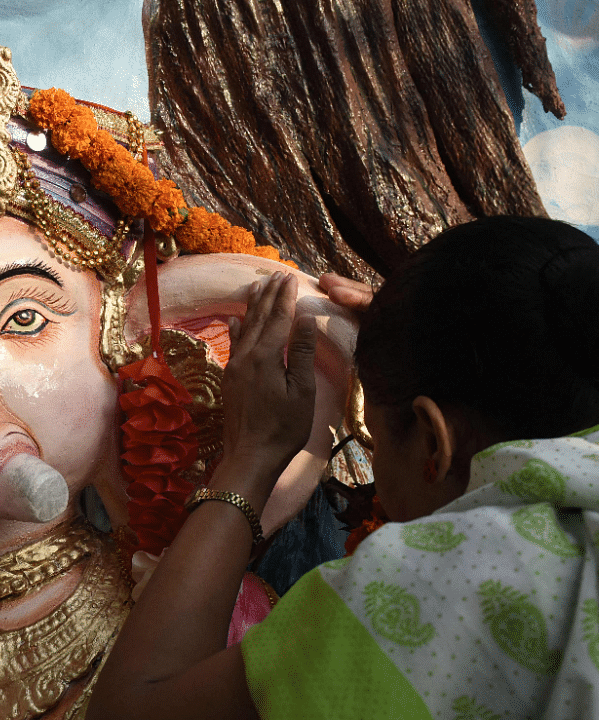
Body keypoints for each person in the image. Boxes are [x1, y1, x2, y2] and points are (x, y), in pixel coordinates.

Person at [86, 215, 599, 719]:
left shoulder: (446, 591)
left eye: (372, 433)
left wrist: (250, 459)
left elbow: (129, 710)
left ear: (432, 445)